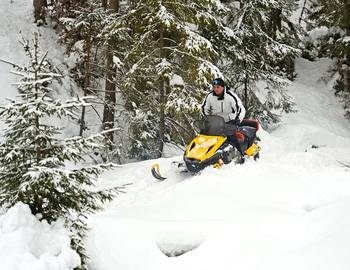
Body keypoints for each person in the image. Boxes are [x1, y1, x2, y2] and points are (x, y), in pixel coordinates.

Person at [201, 78, 247, 154]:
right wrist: (206, 118)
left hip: (229, 122)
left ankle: (240, 154)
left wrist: (237, 119)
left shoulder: (230, 96)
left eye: (218, 87)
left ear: (223, 87)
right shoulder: (210, 96)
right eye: (214, 87)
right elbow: (204, 108)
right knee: (205, 137)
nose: (216, 89)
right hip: (216, 122)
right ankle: (202, 155)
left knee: (232, 138)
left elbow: (240, 109)